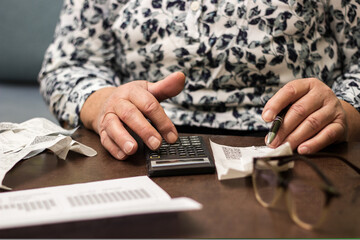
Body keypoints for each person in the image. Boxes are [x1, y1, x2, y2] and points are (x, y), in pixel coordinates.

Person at [39, 0, 360, 160]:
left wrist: (345, 112)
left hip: (299, 147)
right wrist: (105, 104)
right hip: (141, 149)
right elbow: (67, 66)